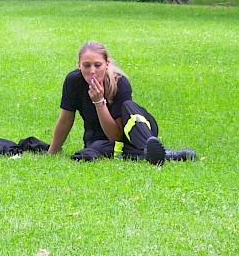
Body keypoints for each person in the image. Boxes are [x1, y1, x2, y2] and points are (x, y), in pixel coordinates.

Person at [47, 40, 196, 165]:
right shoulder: (73, 82)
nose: (92, 71)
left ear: (107, 64)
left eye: (97, 65)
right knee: (94, 149)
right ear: (79, 65)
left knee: (128, 106)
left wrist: (99, 102)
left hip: (136, 134)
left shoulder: (120, 83)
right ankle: (161, 155)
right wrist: (52, 152)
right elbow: (66, 118)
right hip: (104, 142)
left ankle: (147, 147)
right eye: (86, 65)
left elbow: (117, 134)